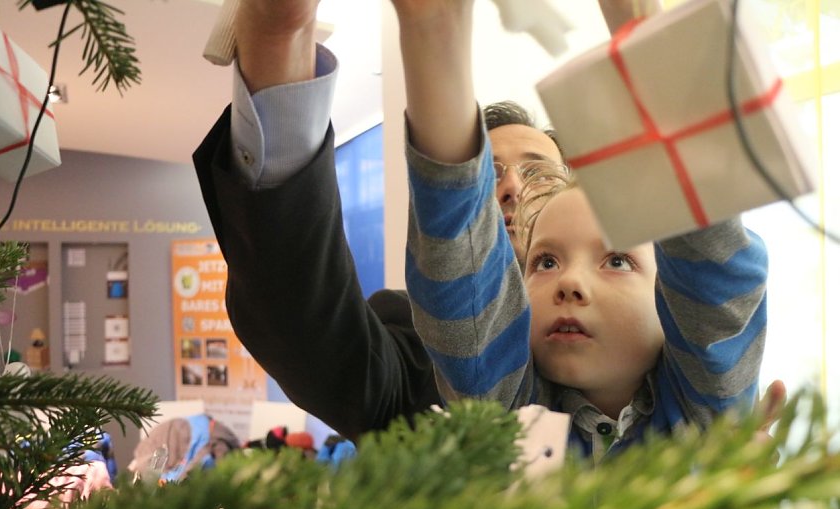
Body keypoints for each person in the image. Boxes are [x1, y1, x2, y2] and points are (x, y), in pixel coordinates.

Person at [393, 0, 770, 462]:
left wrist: (631, 20)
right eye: (545, 261)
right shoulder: (511, 420)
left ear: (672, 302)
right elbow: (458, 269)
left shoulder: (705, 416)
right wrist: (432, 24)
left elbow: (708, 255)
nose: (569, 284)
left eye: (616, 260)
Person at [193, 0, 564, 442]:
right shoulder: (414, 342)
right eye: (489, 172)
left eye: (539, 173)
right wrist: (279, 34)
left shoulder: (652, 342)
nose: (513, 189)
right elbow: (302, 319)